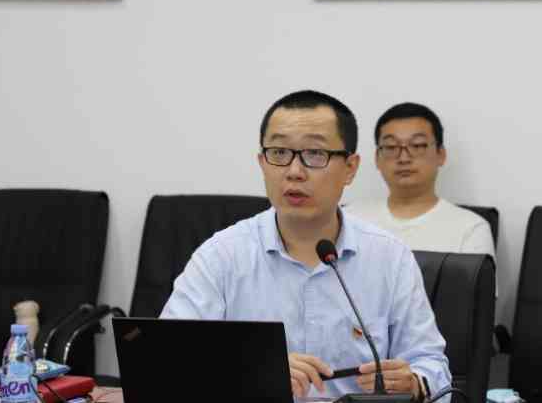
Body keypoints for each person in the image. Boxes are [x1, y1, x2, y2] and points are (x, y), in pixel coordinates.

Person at [161, 90, 451, 401]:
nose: (294, 172)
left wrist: (414, 384)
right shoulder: (221, 256)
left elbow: (432, 366)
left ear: (350, 168)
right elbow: (165, 362)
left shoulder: (389, 257)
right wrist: (255, 373)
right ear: (262, 163)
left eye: (315, 153)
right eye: (279, 152)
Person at [350, 103, 494, 257]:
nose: (404, 158)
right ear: (377, 158)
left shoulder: (470, 229)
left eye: (417, 145)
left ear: (441, 154)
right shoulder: (348, 220)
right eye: (391, 147)